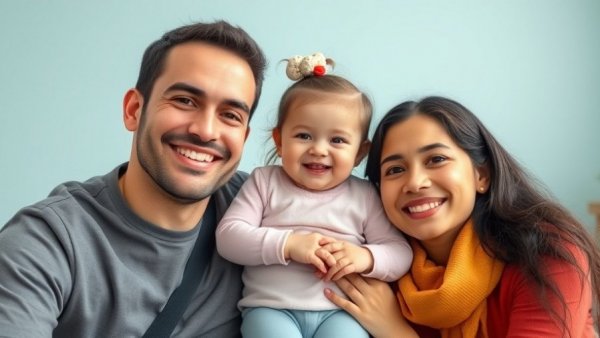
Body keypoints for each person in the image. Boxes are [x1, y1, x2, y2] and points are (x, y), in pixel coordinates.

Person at [0, 20, 266, 337]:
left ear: (245, 136)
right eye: (185, 100)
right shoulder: (48, 242)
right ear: (134, 109)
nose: (206, 131)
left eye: (230, 115)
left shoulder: (264, 210)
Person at [325, 96, 600, 337]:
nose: (415, 182)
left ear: (482, 175)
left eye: (436, 159)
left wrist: (394, 332)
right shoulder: (378, 269)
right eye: (395, 170)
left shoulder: (547, 256)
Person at [215, 53, 413, 338]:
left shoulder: (365, 195)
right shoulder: (265, 182)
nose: (319, 149)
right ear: (280, 141)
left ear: (359, 152)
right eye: (304, 136)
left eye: (337, 140)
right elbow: (229, 238)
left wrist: (365, 257)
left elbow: (399, 253)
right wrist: (289, 244)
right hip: (271, 310)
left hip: (341, 313)